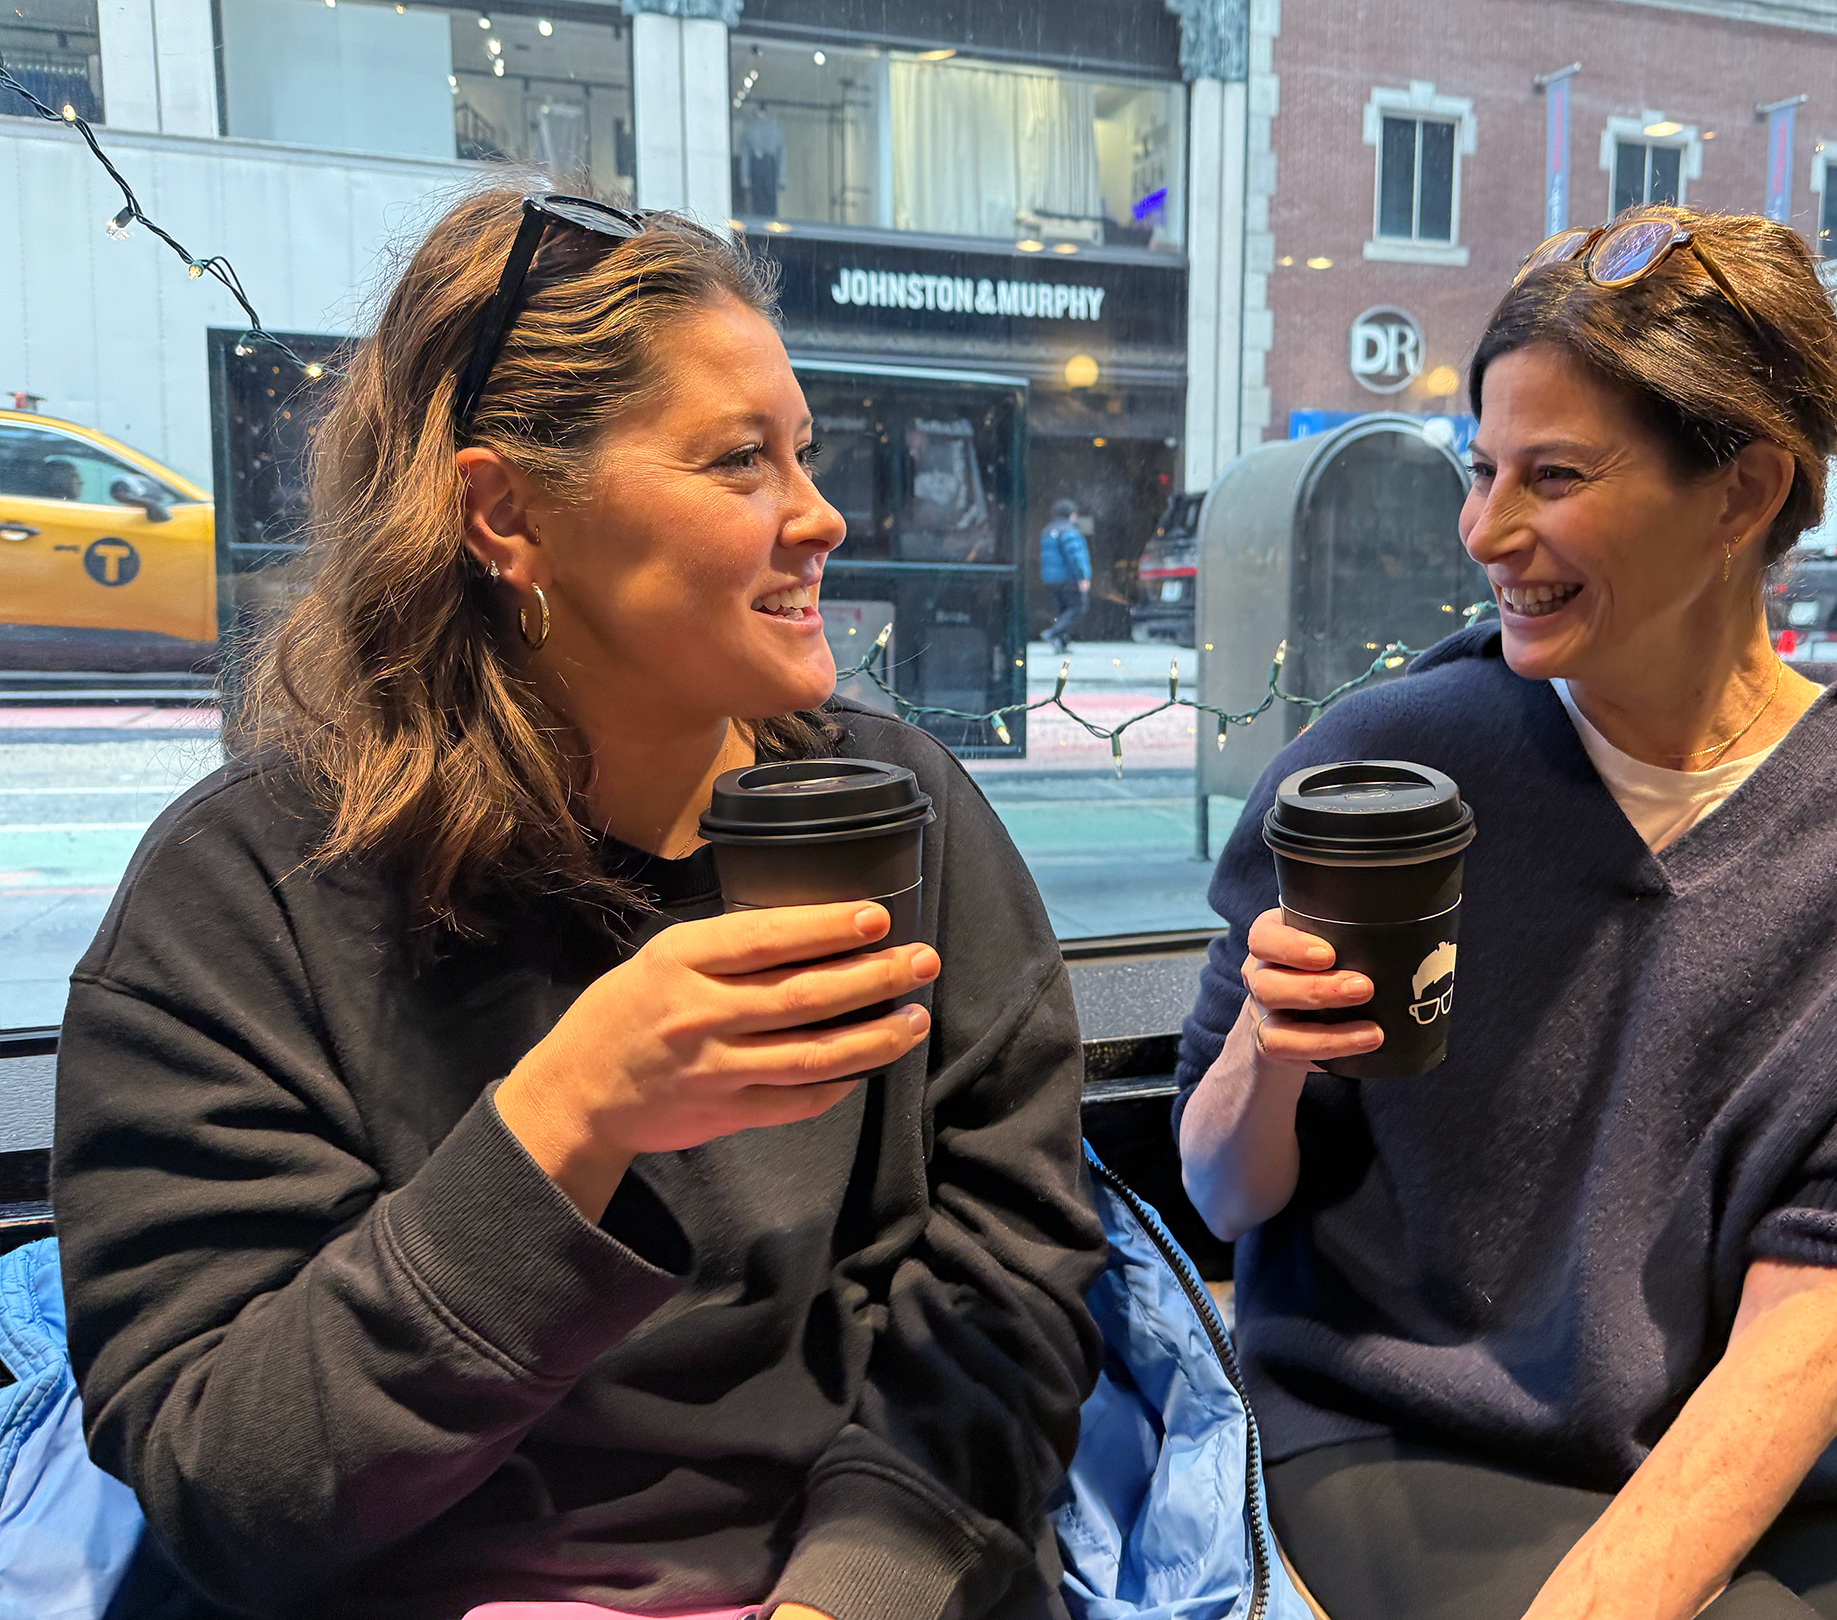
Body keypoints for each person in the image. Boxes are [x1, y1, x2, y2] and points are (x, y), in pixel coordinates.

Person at [51, 187, 1102, 1620]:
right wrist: (571, 1121)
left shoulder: (904, 815)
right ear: (507, 512)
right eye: (741, 462)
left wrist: (851, 1592)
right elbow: (230, 1487)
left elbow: (1010, 1300)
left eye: (802, 453)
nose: (822, 517)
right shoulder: (244, 901)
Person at [1174, 207, 1837, 1620]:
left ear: (1743, 495)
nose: (1485, 531)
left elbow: (1813, 1320)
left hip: (1747, 1457)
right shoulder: (1382, 770)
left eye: (1555, 477)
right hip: (1395, 1427)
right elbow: (1225, 1196)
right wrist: (1267, 1053)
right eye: (1483, 472)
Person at [1039, 498, 1090, 652]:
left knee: (1061, 610)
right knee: (1078, 607)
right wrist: (1082, 576)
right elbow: (1075, 556)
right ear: (1071, 515)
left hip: (1051, 579)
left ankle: (1061, 642)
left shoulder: (1047, 531)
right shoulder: (1069, 532)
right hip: (1068, 578)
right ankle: (1053, 633)